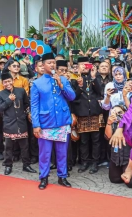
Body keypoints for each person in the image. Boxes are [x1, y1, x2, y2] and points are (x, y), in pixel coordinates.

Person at [31, 53, 76, 190]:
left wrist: (62, 84)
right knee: (45, 153)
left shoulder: (62, 79)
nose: (52, 65)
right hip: (45, 123)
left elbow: (72, 97)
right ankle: (43, 177)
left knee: (62, 152)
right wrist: (36, 125)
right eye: (49, 63)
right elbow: (34, 105)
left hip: (62, 121)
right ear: (43, 65)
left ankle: (62, 177)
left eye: (53, 63)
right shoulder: (37, 84)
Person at [0, 72, 37, 175]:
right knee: (8, 147)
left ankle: (26, 165)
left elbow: (26, 104)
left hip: (21, 122)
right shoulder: (1, 94)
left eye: (9, 81)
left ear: (13, 81)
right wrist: (9, 100)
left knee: (25, 146)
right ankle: (8, 166)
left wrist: (27, 113)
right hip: (9, 124)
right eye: (5, 82)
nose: (7, 84)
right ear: (2, 83)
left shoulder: (21, 91)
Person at [105, 105, 132, 187]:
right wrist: (109, 123)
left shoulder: (131, 123)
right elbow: (108, 137)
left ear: (125, 113)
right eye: (114, 112)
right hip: (116, 157)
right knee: (114, 179)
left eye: (120, 113)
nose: (117, 115)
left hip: (129, 157)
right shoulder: (112, 124)